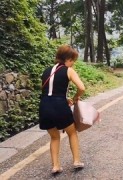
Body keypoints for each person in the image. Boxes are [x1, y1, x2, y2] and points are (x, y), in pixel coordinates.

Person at [39, 45, 85, 174]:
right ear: (68, 58)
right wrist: (75, 98)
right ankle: (76, 161)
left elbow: (48, 91)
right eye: (73, 60)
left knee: (54, 137)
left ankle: (55, 166)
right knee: (72, 132)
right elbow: (82, 88)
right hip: (59, 106)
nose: (73, 63)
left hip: (45, 107)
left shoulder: (46, 71)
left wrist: (63, 98)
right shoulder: (68, 70)